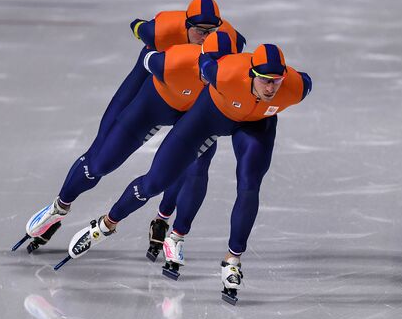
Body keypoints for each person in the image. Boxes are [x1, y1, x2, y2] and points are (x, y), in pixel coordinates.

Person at [60, 43, 312, 304]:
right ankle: (105, 225)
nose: (271, 88)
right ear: (252, 74)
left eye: (276, 81)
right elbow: (204, 64)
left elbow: (307, 81)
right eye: (265, 81)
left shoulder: (295, 87)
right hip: (209, 118)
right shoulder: (224, 73)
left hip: (256, 126)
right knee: (154, 183)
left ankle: (232, 260)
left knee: (249, 183)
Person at [11, 0, 245, 254]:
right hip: (155, 88)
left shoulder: (228, 41)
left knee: (196, 162)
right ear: (185, 26)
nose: (206, 38)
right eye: (200, 31)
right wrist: (151, 45)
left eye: (212, 31)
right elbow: (138, 26)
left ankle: (164, 220)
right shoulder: (163, 31)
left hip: (191, 105)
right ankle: (59, 208)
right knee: (99, 160)